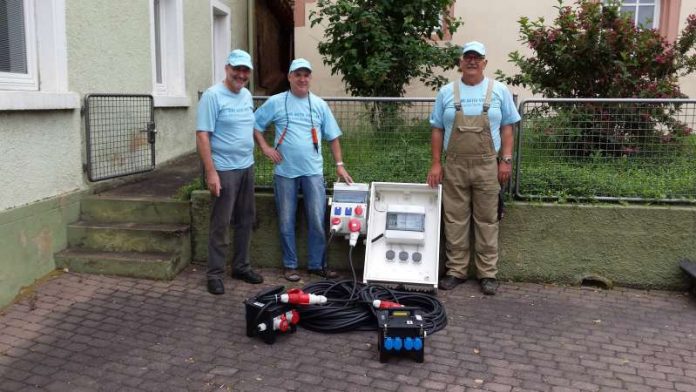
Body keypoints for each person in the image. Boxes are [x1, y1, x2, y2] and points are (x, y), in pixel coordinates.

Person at [427, 41, 520, 295]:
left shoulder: (499, 90)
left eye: (477, 58)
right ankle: (456, 270)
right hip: (454, 164)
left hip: (488, 165)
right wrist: (436, 164)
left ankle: (487, 273)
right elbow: (437, 129)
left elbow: (507, 129)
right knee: (455, 219)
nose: (472, 61)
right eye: (467, 57)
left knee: (487, 219)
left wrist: (506, 159)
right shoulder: (446, 92)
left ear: (484, 63)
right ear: (460, 62)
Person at [254, 58, 353, 282]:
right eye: (297, 74)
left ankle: (316, 265)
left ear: (310, 78)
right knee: (286, 220)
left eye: (306, 75)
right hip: (284, 172)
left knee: (317, 219)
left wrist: (339, 165)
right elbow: (255, 125)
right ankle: (290, 265)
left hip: (313, 172)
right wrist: (265, 148)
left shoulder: (319, 104)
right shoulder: (276, 102)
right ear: (289, 77)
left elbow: (333, 137)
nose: (302, 79)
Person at [196, 49, 264, 295]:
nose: (241, 74)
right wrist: (211, 172)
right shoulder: (213, 96)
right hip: (224, 169)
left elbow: (252, 125)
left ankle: (241, 267)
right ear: (227, 68)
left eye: (245, 70)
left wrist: (264, 147)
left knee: (246, 220)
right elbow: (203, 134)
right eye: (237, 69)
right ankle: (214, 273)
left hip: (247, 166)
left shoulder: (246, 95)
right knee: (221, 223)